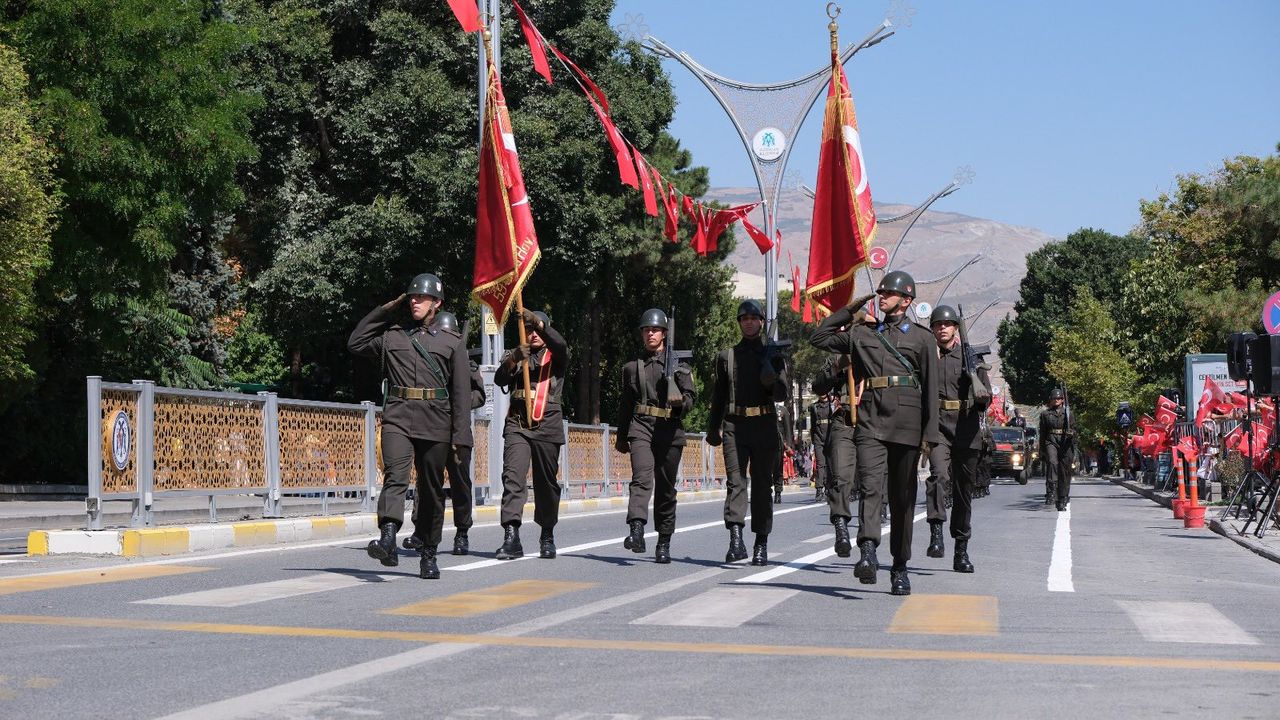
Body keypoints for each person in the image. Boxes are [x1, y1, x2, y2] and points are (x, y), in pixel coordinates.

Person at [810, 271, 940, 596]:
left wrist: (930, 435)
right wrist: (848, 310)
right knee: (871, 489)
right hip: (870, 420)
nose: (881, 297)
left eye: (888, 293)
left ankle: (899, 566)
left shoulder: (923, 339)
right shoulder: (861, 335)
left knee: (902, 499)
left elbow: (931, 392)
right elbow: (819, 338)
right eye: (880, 292)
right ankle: (868, 551)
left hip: (907, 424)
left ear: (906, 300)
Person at [347, 273, 471, 580]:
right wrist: (386, 309)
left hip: (436, 421)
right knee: (395, 477)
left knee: (430, 490)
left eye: (422, 297)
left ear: (436, 303)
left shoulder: (452, 343)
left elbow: (460, 394)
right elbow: (356, 342)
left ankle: (429, 552)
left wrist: (461, 436)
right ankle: (388, 537)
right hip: (398, 417)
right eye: (412, 296)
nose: (415, 301)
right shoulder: (394, 335)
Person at [707, 299, 789, 566]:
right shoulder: (726, 356)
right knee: (736, 482)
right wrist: (712, 429)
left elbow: (781, 395)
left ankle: (761, 544)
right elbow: (718, 397)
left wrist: (771, 377)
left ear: (762, 322)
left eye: (754, 318)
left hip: (764, 425)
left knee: (763, 486)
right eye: (744, 318)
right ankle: (735, 539)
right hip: (734, 425)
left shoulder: (774, 354)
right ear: (740, 323)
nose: (749, 322)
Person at [615, 308, 696, 564]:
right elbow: (626, 405)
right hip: (641, 427)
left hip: (670, 430)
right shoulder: (632, 368)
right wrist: (621, 436)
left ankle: (664, 540)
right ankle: (636, 529)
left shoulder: (679, 367)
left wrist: (680, 402)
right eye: (646, 330)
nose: (650, 333)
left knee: (665, 489)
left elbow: (691, 399)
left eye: (655, 329)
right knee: (641, 479)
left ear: (664, 334)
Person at [403, 311, 485, 556]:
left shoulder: (466, 362)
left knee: (461, 484)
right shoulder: (429, 353)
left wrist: (456, 401)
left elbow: (479, 395)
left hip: (457, 430)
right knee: (427, 483)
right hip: (432, 426)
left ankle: (462, 531)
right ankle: (421, 531)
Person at [494, 308, 569, 560]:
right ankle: (511, 536)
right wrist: (514, 358)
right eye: (528, 330)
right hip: (518, 424)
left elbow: (562, 345)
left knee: (546, 483)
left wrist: (539, 323)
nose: (533, 334)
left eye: (537, 330)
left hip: (547, 424)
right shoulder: (516, 354)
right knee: (512, 478)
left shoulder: (555, 356)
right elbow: (499, 379)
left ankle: (547, 534)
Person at [924, 305, 990, 573]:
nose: (943, 328)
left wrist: (978, 388)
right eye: (938, 324)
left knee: (964, 493)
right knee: (938, 476)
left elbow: (985, 399)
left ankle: (961, 550)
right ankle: (936, 532)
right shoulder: (926, 357)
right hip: (938, 427)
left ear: (955, 328)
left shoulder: (970, 357)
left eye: (948, 324)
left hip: (967, 428)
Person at [812, 356, 858, 559]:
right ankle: (841, 528)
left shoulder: (881, 341)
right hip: (843, 422)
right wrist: (839, 365)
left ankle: (867, 545)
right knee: (839, 477)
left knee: (872, 484)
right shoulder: (837, 356)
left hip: (875, 418)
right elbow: (818, 385)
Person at [1039, 387, 1076, 510]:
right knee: (1052, 463)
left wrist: (1071, 434)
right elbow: (1043, 433)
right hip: (1051, 441)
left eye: (1059, 398)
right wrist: (1042, 450)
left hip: (1065, 443)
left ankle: (1062, 498)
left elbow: (1074, 430)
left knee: (1064, 472)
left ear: (1062, 400)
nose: (1056, 400)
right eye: (1054, 398)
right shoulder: (1045, 414)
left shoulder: (1068, 413)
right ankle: (1051, 492)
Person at [808, 393, 834, 502]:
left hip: (830, 437)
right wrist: (813, 443)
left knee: (830, 464)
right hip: (818, 438)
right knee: (820, 464)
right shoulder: (814, 407)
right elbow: (813, 426)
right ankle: (819, 489)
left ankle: (829, 489)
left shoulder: (832, 406)